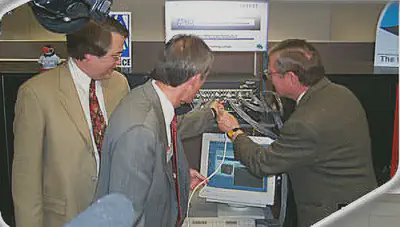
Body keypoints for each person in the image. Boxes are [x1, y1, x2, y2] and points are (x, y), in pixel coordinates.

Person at [217, 39, 378, 227]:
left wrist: (234, 131)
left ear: (291, 78)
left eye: (271, 73)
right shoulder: (342, 94)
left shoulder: (305, 123)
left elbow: (262, 163)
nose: (269, 78)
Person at [95, 34, 224, 227]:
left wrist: (178, 178)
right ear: (194, 80)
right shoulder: (140, 129)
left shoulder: (149, 99)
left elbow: (150, 165)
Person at [12, 17, 130, 227]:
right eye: (115, 56)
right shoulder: (36, 94)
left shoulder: (119, 85)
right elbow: (25, 179)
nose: (118, 62)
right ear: (88, 55)